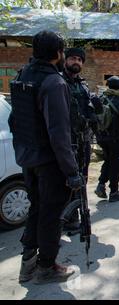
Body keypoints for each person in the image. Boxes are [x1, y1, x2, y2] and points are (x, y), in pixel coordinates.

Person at [9, 30, 82, 284]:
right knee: (52, 215)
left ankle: (26, 266)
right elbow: (59, 135)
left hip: (28, 159)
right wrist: (72, 173)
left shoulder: (22, 76)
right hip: (50, 163)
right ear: (58, 54)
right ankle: (46, 268)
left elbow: (14, 120)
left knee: (37, 210)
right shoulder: (55, 83)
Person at [62, 47, 98, 231]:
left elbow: (88, 110)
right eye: (73, 59)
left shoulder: (83, 85)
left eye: (79, 59)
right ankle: (69, 217)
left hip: (83, 140)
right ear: (65, 60)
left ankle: (79, 212)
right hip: (66, 141)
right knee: (68, 179)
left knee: (82, 177)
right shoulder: (59, 82)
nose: (76, 62)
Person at [94, 76, 119, 202]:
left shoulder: (101, 99)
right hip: (115, 139)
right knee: (116, 164)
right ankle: (114, 192)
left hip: (101, 138)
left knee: (108, 160)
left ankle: (101, 185)